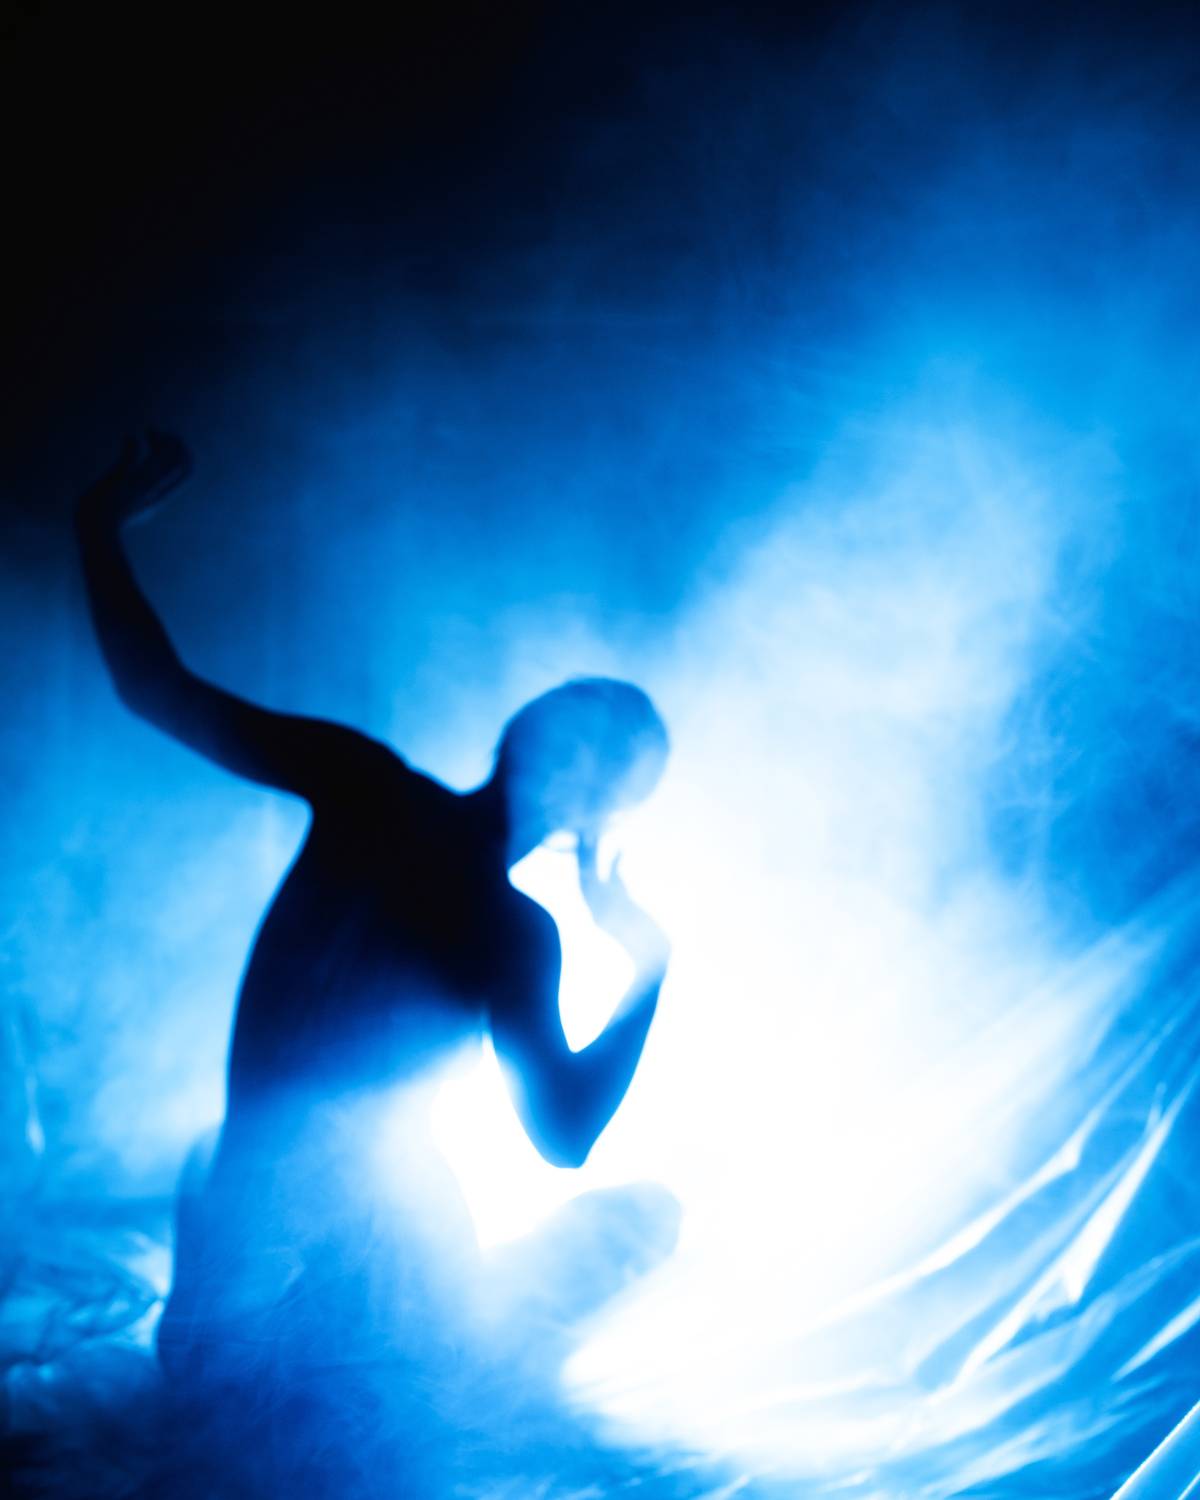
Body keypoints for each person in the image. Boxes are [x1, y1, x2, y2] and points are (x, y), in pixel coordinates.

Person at [74, 432, 673, 1387]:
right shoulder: (399, 817)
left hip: (301, 1260)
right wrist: (648, 967)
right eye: (574, 716)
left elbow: (564, 1140)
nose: (570, 741)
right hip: (291, 1277)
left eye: (597, 747)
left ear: (594, 806)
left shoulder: (489, 906)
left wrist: (650, 965)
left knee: (620, 1218)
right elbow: (158, 691)